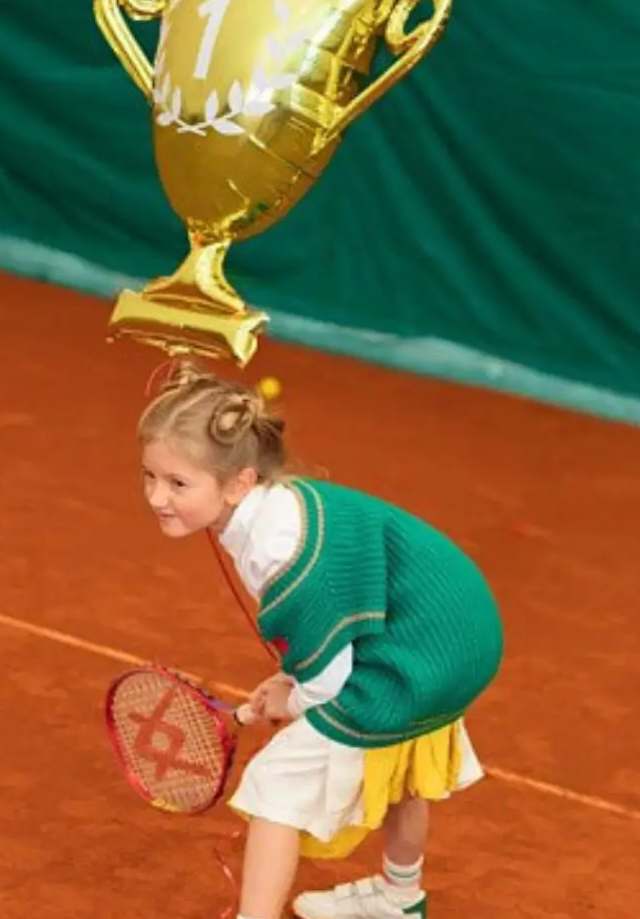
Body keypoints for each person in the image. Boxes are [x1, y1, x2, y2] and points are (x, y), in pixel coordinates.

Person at [138, 360, 504, 919]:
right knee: (401, 759)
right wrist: (294, 677)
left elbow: (328, 680)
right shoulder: (278, 508)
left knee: (275, 784)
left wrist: (297, 697)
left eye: (178, 483)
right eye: (151, 476)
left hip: (421, 653)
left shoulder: (279, 555)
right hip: (453, 631)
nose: (157, 497)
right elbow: (336, 622)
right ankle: (399, 899)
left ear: (239, 482)